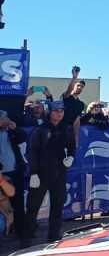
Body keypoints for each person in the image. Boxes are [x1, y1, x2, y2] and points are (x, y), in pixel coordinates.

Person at [24, 102, 75, 244]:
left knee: (57, 206)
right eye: (56, 111)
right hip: (40, 174)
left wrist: (71, 157)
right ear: (50, 112)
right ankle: (26, 240)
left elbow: (72, 146)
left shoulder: (66, 128)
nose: (59, 113)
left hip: (59, 173)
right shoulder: (41, 129)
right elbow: (32, 151)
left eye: (61, 111)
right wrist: (33, 173)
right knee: (33, 207)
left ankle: (53, 239)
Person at [0, 110, 26, 245]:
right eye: (4, 118)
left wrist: (16, 128)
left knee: (18, 204)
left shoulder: (10, 131)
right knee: (4, 207)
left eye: (6, 117)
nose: (6, 120)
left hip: (15, 172)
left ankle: (21, 234)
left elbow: (24, 137)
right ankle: (5, 234)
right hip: (1, 176)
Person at [61, 66, 84, 151]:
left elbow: (76, 122)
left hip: (69, 134)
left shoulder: (81, 104)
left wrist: (76, 139)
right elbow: (69, 90)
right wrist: (74, 77)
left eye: (82, 87)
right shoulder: (66, 97)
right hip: (59, 131)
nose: (80, 88)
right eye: (78, 85)